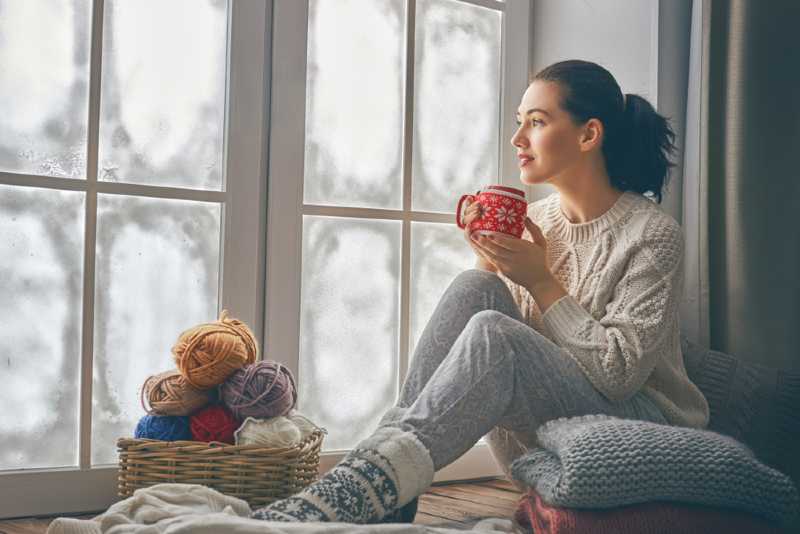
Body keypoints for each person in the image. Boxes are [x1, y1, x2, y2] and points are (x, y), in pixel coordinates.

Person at [251, 59, 710, 525]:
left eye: (537, 122)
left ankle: (366, 484)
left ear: (589, 135)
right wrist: (489, 258)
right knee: (477, 285)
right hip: (550, 430)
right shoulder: (542, 220)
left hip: (641, 431)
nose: (518, 139)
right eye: (519, 122)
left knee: (495, 332)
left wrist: (541, 281)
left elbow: (618, 374)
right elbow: (513, 353)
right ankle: (378, 480)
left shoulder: (653, 234)